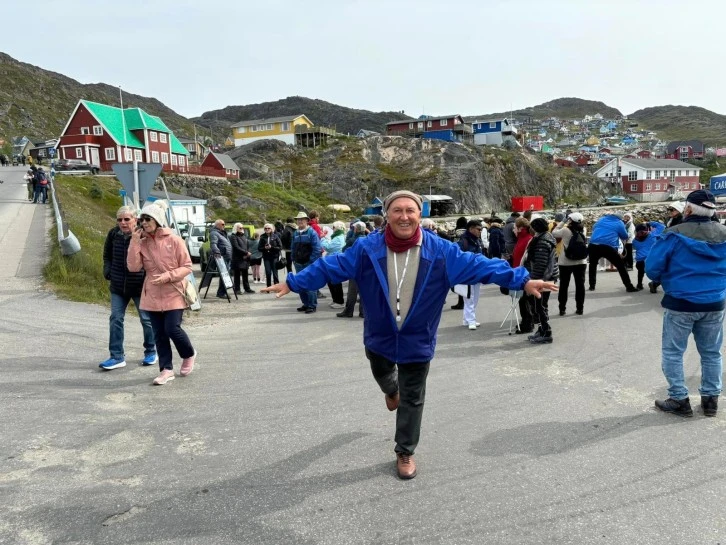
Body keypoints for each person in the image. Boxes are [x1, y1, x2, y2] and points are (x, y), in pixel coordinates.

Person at [262, 190, 557, 479]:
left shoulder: (441, 251)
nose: (404, 216)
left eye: (410, 210)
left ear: (419, 215)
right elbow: (332, 266)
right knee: (382, 373)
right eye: (397, 210)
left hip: (417, 337)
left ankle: (404, 450)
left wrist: (522, 278)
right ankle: (391, 389)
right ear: (387, 216)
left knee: (413, 398)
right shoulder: (367, 249)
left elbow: (480, 265)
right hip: (379, 335)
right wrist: (294, 282)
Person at [646, 190, 726, 417]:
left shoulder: (673, 234)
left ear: (688, 209)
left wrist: (666, 278)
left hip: (681, 302)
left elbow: (652, 269)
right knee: (711, 353)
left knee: (673, 352)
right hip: (715, 302)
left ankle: (680, 399)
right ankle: (711, 401)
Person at [127, 203, 196, 386]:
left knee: (172, 328)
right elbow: (133, 267)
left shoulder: (174, 240)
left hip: (173, 290)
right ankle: (166, 369)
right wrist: (134, 241)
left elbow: (187, 266)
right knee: (158, 333)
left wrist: (168, 276)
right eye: (141, 220)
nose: (144, 222)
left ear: (157, 220)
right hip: (152, 293)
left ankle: (188, 354)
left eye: (148, 219)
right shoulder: (141, 242)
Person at [99, 206, 157, 370]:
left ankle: (151, 351)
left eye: (127, 219)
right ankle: (116, 356)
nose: (123, 223)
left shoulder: (144, 235)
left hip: (140, 286)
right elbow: (107, 255)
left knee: (146, 320)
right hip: (118, 286)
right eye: (119, 219)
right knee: (116, 319)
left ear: (135, 219)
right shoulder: (113, 234)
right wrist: (107, 270)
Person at [521, 218, 559, 344]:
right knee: (539, 306)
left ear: (535, 228)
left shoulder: (542, 242)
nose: (530, 229)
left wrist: (533, 281)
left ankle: (546, 332)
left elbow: (540, 264)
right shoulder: (546, 237)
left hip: (543, 279)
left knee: (541, 306)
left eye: (531, 227)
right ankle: (541, 329)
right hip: (545, 278)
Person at [587, 212, 638, 292]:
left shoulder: (601, 219)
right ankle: (629, 286)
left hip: (593, 244)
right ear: (620, 218)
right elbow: (624, 236)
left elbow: (594, 228)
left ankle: (592, 286)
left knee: (592, 265)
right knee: (621, 266)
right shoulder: (619, 222)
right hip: (608, 246)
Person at [553, 212, 588, 316]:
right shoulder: (584, 230)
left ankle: (562, 309)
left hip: (565, 262)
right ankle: (580, 308)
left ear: (570, 220)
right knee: (580, 285)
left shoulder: (565, 230)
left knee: (564, 285)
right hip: (581, 261)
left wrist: (563, 221)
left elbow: (554, 232)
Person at [291, 211, 322, 313]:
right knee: (300, 284)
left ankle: (312, 305)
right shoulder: (295, 233)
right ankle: (306, 304)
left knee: (309, 284)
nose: (300, 221)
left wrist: (311, 261)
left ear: (306, 221)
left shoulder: (311, 233)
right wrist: (293, 259)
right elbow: (293, 247)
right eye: (298, 220)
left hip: (308, 263)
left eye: (302, 219)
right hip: (298, 263)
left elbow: (317, 249)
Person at [457, 219, 485, 330]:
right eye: (478, 229)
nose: (480, 231)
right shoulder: (463, 241)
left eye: (481, 229)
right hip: (467, 273)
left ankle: (466, 319)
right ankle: (471, 320)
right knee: (469, 297)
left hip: (477, 271)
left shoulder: (477, 240)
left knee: (475, 296)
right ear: (471, 229)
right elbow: (459, 257)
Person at [337, 221, 367, 318]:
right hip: (365, 268)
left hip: (354, 267)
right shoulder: (367, 239)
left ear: (356, 229)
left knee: (352, 291)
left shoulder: (352, 240)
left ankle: (349, 311)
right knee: (363, 291)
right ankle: (363, 312)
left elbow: (344, 250)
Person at [632, 221, 665, 291]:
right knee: (661, 271)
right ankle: (654, 283)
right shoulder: (652, 235)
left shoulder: (634, 240)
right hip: (651, 260)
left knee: (640, 272)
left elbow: (635, 247)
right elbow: (662, 227)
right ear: (647, 229)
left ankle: (639, 284)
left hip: (639, 261)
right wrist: (649, 223)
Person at [321, 221, 347, 308]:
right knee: (331, 282)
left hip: (335, 262)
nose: (333, 229)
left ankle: (339, 301)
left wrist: (323, 239)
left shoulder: (338, 238)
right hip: (333, 261)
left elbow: (328, 247)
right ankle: (335, 299)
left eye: (334, 227)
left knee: (335, 282)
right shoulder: (338, 237)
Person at [210, 219, 232, 298]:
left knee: (225, 275)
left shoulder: (222, 233)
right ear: (217, 225)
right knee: (224, 275)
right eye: (222, 224)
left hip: (226, 256)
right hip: (222, 257)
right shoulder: (214, 233)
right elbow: (213, 244)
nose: (224, 225)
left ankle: (221, 292)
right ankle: (221, 293)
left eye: (224, 224)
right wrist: (217, 252)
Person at [230, 223, 254, 294]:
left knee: (245, 275)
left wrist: (248, 252)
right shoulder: (233, 236)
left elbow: (247, 245)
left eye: (242, 228)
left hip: (245, 258)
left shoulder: (244, 236)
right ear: (236, 228)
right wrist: (246, 253)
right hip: (237, 258)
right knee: (237, 275)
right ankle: (237, 289)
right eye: (240, 228)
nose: (242, 229)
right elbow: (236, 247)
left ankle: (247, 288)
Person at [258, 223, 283, 287]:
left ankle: (276, 286)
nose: (267, 229)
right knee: (268, 272)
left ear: (271, 229)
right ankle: (268, 287)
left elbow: (280, 247)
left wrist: (271, 247)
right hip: (266, 257)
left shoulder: (275, 236)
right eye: (265, 228)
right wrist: (264, 248)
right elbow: (259, 248)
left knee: (275, 272)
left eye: (268, 228)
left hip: (274, 257)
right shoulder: (262, 237)